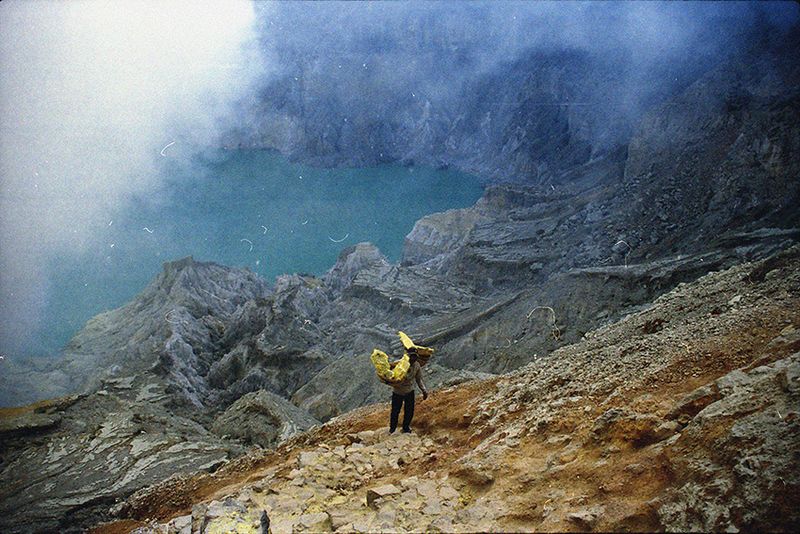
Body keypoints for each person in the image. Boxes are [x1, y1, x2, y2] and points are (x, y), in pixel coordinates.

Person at [388, 350, 429, 434]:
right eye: (411, 356)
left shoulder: (417, 365)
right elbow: (390, 372)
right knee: (395, 411)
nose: (413, 358)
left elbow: (419, 379)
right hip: (397, 392)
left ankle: (406, 427)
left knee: (409, 411)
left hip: (409, 391)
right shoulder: (399, 364)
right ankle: (392, 428)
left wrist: (424, 390)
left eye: (415, 357)